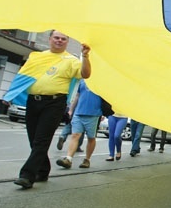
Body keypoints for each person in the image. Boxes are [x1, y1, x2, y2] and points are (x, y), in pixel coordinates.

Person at [5, 30, 91, 189]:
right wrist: (10, 95)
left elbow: (85, 74)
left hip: (54, 103)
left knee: (41, 140)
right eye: (56, 37)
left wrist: (85, 56)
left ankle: (27, 176)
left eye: (63, 39)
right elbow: (23, 78)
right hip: (33, 101)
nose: (59, 40)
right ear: (50, 39)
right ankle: (43, 170)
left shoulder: (71, 60)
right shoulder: (36, 57)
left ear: (67, 42)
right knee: (34, 139)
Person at [56, 79, 102, 169]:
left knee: (91, 138)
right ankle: (68, 159)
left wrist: (103, 112)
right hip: (78, 112)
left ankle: (87, 159)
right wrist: (71, 110)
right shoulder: (82, 81)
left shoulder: (101, 81)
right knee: (75, 135)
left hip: (93, 114)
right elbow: (77, 96)